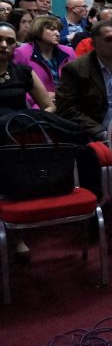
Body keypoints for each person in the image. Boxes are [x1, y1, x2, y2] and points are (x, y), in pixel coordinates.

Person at [0, 21, 55, 260]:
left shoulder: (22, 71)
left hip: (18, 137)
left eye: (10, 41)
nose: (4, 45)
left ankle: (15, 235)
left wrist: (32, 123)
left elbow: (48, 106)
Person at [13, 15, 75, 107]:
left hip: (67, 102)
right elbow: (15, 86)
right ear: (37, 30)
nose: (57, 34)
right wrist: (42, 97)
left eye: (58, 30)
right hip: (36, 105)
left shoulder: (68, 51)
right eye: (52, 29)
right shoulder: (21, 53)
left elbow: (77, 81)